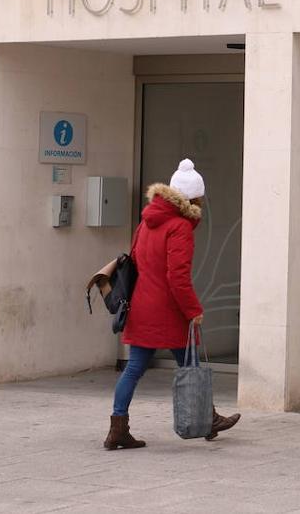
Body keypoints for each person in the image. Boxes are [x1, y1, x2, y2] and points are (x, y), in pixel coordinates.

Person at [104, 159, 241, 450]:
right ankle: (209, 418)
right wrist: (193, 310)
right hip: (168, 310)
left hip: (142, 306)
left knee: (135, 368)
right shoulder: (180, 227)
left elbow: (137, 263)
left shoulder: (145, 222)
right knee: (190, 363)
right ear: (194, 198)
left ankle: (118, 427)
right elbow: (177, 277)